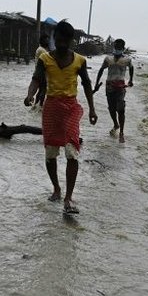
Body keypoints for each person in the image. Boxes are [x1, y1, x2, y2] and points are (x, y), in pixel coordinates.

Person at [24, 21, 97, 214]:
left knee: (72, 152)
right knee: (50, 153)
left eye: (66, 40)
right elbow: (37, 79)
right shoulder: (45, 59)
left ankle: (68, 197)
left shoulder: (80, 60)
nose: (62, 43)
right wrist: (30, 94)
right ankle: (56, 188)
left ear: (71, 40)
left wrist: (91, 109)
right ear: (55, 39)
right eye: (59, 39)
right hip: (51, 108)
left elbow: (87, 85)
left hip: (71, 108)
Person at [94, 38, 134, 143]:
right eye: (116, 47)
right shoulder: (108, 59)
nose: (117, 49)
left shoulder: (127, 59)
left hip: (120, 87)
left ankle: (121, 133)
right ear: (114, 47)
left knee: (121, 108)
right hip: (109, 87)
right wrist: (96, 84)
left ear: (123, 48)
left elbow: (131, 68)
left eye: (119, 48)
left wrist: (131, 80)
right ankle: (116, 124)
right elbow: (101, 70)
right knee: (111, 109)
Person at [33, 34, 50, 108]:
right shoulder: (42, 50)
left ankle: (36, 105)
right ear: (42, 41)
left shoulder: (40, 49)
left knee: (40, 90)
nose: (48, 41)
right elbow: (47, 62)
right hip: (42, 73)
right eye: (46, 40)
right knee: (43, 89)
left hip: (39, 72)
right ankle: (40, 106)